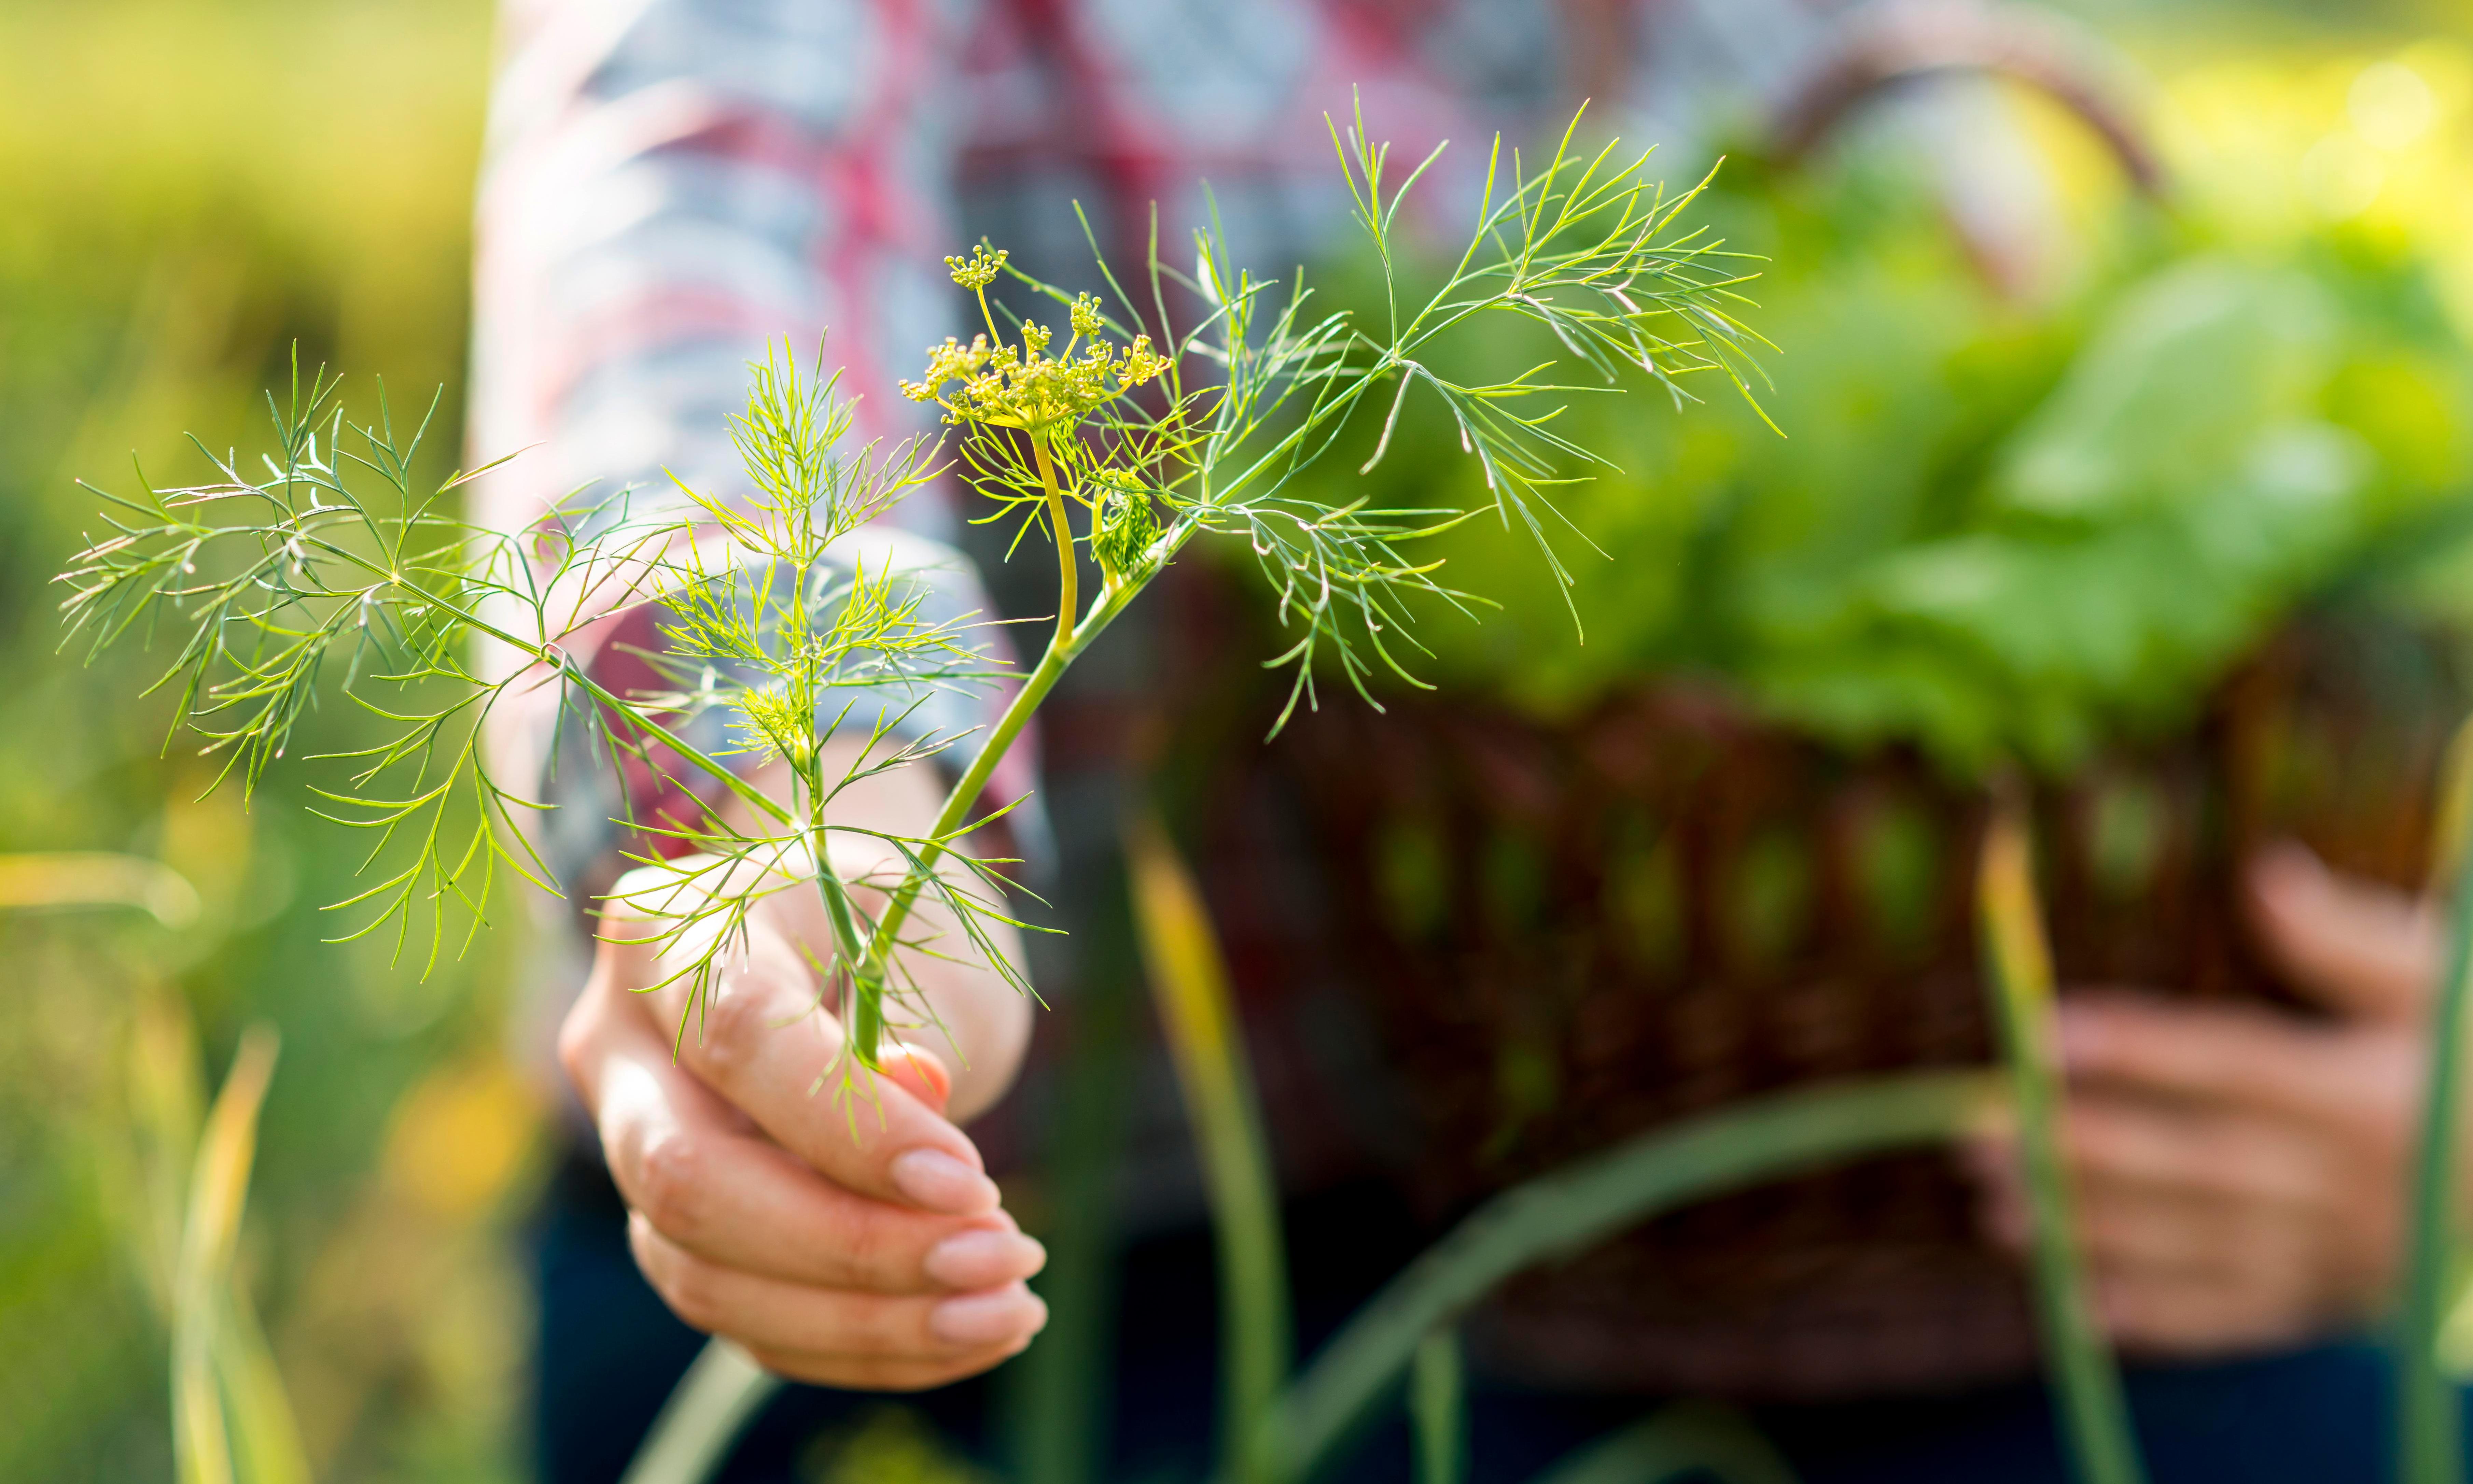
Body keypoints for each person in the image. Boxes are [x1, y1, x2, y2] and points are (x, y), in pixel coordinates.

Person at [467, 1, 2463, 1479]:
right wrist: (810, 823)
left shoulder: (1813, 51)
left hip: (1733, 1204)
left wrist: (2416, 1100)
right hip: (1017, 1249)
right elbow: (691, 330)